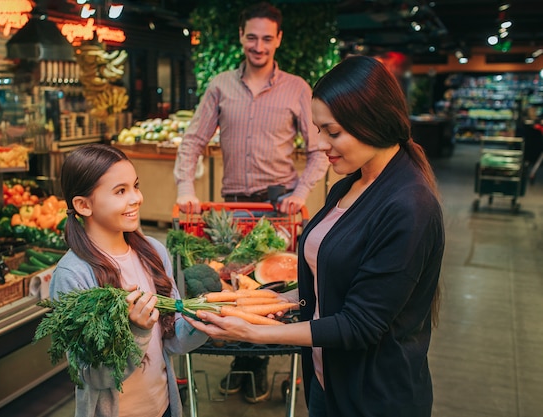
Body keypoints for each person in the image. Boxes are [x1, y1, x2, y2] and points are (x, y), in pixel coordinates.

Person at [185, 55, 445, 417]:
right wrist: (262, 302)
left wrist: (255, 333)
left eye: (333, 132)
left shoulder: (409, 206)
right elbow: (327, 283)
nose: (321, 144)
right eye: (319, 130)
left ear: (374, 121)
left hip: (373, 397)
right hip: (326, 380)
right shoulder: (349, 186)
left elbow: (361, 324)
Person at [173, 2, 329, 403]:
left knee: (268, 293)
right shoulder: (221, 85)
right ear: (241, 37)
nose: (258, 45)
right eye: (251, 37)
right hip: (232, 208)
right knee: (231, 287)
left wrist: (300, 193)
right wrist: (185, 189)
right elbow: (193, 140)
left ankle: (254, 366)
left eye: (267, 38)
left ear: (278, 40)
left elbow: (319, 149)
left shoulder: (296, 88)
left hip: (278, 210)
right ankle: (242, 361)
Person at [49, 144, 208, 417]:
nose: (136, 198)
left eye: (135, 186)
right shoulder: (73, 276)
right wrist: (137, 332)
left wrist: (204, 320)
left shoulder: (153, 252)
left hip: (164, 406)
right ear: (83, 205)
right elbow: (93, 376)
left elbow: (172, 340)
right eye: (121, 191)